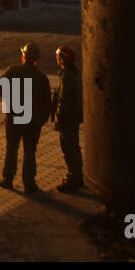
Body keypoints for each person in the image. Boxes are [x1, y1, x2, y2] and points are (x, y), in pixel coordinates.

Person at [0, 42, 52, 194]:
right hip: (33, 121)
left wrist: (10, 100)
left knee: (12, 149)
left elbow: (0, 85)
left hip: (15, 118)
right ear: (36, 59)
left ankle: (7, 179)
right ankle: (29, 184)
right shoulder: (42, 77)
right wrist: (42, 119)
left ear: (23, 56)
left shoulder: (13, 71)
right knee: (29, 151)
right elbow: (47, 102)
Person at [51, 44, 84, 191]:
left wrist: (59, 117)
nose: (56, 59)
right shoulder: (75, 73)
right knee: (75, 147)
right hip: (74, 116)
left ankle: (72, 179)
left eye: (58, 56)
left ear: (62, 59)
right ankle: (78, 176)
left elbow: (63, 99)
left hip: (67, 118)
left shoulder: (67, 76)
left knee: (68, 147)